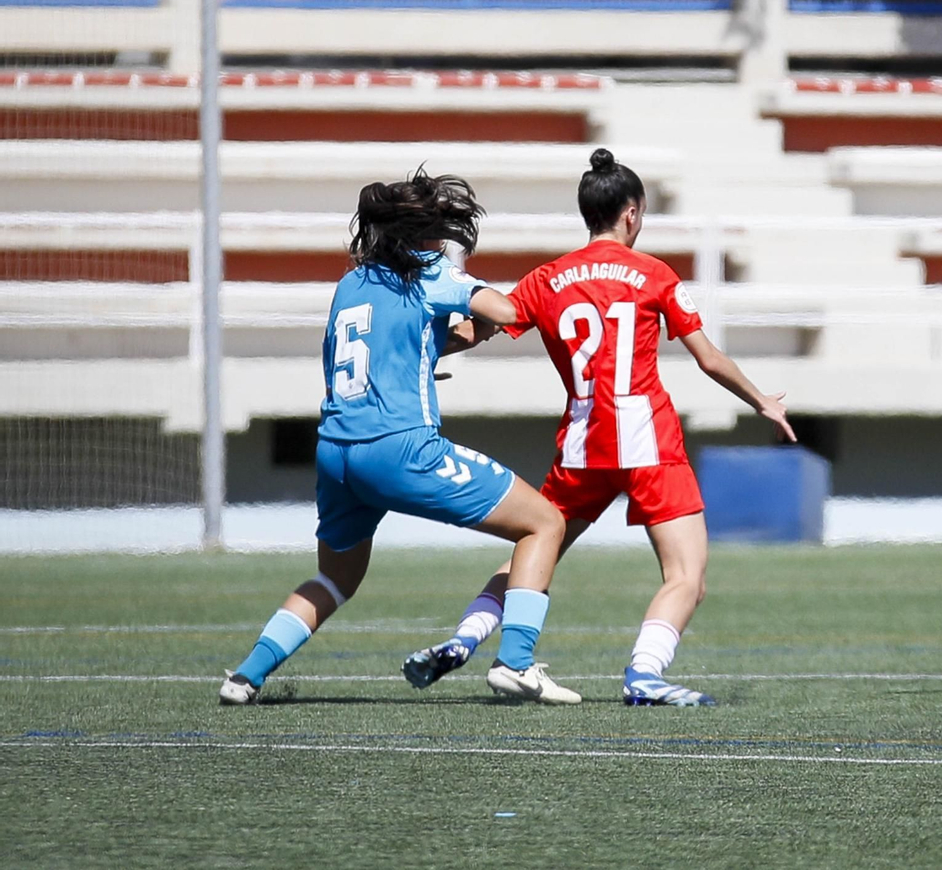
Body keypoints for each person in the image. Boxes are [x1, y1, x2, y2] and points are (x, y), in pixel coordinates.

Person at [402, 149, 795, 706]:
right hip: (648, 440)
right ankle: (645, 675)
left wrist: (418, 346)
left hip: (583, 443)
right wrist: (762, 400)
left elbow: (470, 334)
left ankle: (463, 640)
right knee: (687, 575)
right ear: (631, 213)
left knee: (532, 552)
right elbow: (708, 359)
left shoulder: (548, 278)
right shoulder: (654, 274)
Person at [219, 172, 579, 706]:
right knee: (544, 522)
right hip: (400, 448)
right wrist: (527, 294)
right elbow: (506, 311)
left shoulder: (352, 283)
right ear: (423, 235)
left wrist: (437, 351)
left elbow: (389, 347)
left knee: (336, 576)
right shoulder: (430, 272)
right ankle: (516, 663)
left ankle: (244, 678)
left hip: (336, 452)